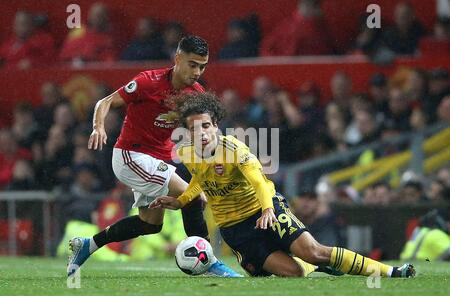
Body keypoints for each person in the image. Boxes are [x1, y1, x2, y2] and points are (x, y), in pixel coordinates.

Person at [151, 92, 416, 278]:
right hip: (236, 231)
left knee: (313, 252)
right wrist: (181, 201)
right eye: (195, 129)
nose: (203, 133)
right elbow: (201, 180)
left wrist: (267, 210)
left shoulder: (235, 150)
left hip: (263, 210)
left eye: (206, 126)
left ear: (216, 125)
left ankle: (391, 272)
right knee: (295, 273)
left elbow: (260, 182)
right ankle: (319, 270)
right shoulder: (187, 154)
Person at [67, 35, 242, 278]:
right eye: (192, 64)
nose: (197, 71)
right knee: (193, 197)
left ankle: (87, 245)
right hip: (131, 156)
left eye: (202, 66)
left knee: (150, 224)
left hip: (158, 160)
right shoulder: (148, 82)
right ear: (178, 58)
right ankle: (209, 261)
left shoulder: (195, 94)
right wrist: (98, 126)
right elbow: (105, 102)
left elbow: (208, 129)